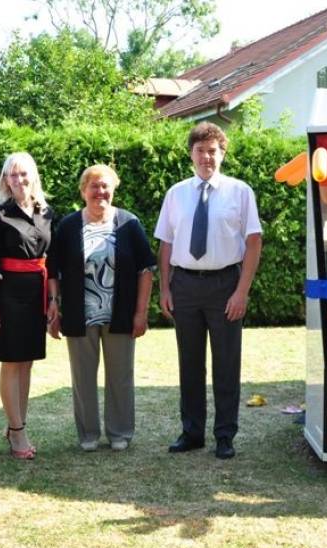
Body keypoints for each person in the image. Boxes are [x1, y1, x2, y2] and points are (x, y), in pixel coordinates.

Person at [155, 121, 263, 460]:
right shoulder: (176, 194)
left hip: (225, 285)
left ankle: (225, 435)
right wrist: (165, 289)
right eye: (200, 151)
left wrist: (241, 292)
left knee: (226, 363)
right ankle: (192, 433)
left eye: (212, 151)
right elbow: (166, 244)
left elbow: (254, 242)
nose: (206, 157)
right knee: (189, 362)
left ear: (222, 154)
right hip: (185, 285)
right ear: (191, 154)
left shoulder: (240, 192)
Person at [47, 164, 156, 452]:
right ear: (83, 191)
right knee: (82, 377)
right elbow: (53, 271)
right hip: (78, 314)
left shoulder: (129, 223)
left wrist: (141, 313)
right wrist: (53, 306)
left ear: (114, 189)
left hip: (120, 313)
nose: (100, 191)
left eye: (105, 185)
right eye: (93, 186)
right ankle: (88, 434)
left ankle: (120, 432)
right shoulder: (69, 226)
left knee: (120, 376)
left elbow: (146, 270)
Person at [0, 152, 54, 460]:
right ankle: (17, 432)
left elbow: (52, 260)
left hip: (38, 293)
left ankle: (17, 424)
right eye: (13, 174)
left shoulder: (47, 213)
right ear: (5, 180)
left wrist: (53, 300)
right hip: (9, 295)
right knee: (12, 361)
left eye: (24, 173)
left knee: (27, 362)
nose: (19, 179)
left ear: (33, 176)